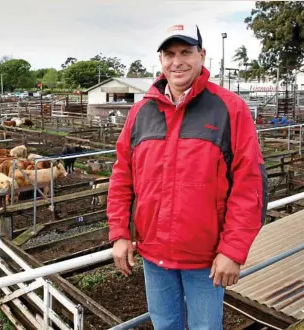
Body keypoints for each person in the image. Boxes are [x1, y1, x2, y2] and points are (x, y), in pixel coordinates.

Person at [107, 23, 268, 330]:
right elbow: (122, 176)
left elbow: (250, 185)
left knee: (206, 328)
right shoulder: (141, 113)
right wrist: (119, 233)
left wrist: (232, 251)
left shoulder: (229, 109)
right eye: (169, 54)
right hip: (154, 255)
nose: (177, 61)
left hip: (206, 258)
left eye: (185, 52)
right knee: (165, 325)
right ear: (161, 60)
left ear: (201, 56)